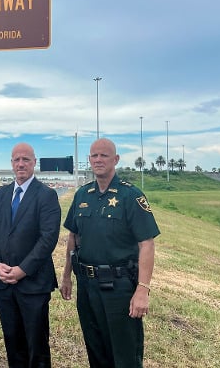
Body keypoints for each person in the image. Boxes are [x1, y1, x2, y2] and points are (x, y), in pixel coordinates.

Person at [59, 138, 160, 368]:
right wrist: (67, 276)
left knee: (124, 355)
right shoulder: (82, 195)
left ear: (115, 159)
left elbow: (147, 243)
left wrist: (143, 290)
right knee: (96, 350)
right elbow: (73, 237)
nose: (98, 159)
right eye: (94, 155)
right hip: (87, 286)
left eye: (104, 155)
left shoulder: (130, 196)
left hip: (119, 288)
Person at [0, 142, 61, 368]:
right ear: (11, 163)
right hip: (5, 284)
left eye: (26, 159)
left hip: (34, 284)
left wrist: (22, 270)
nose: (21, 164)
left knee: (36, 346)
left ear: (34, 163)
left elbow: (47, 239)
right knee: (12, 343)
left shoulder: (46, 195)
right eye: (16, 160)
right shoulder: (1, 194)